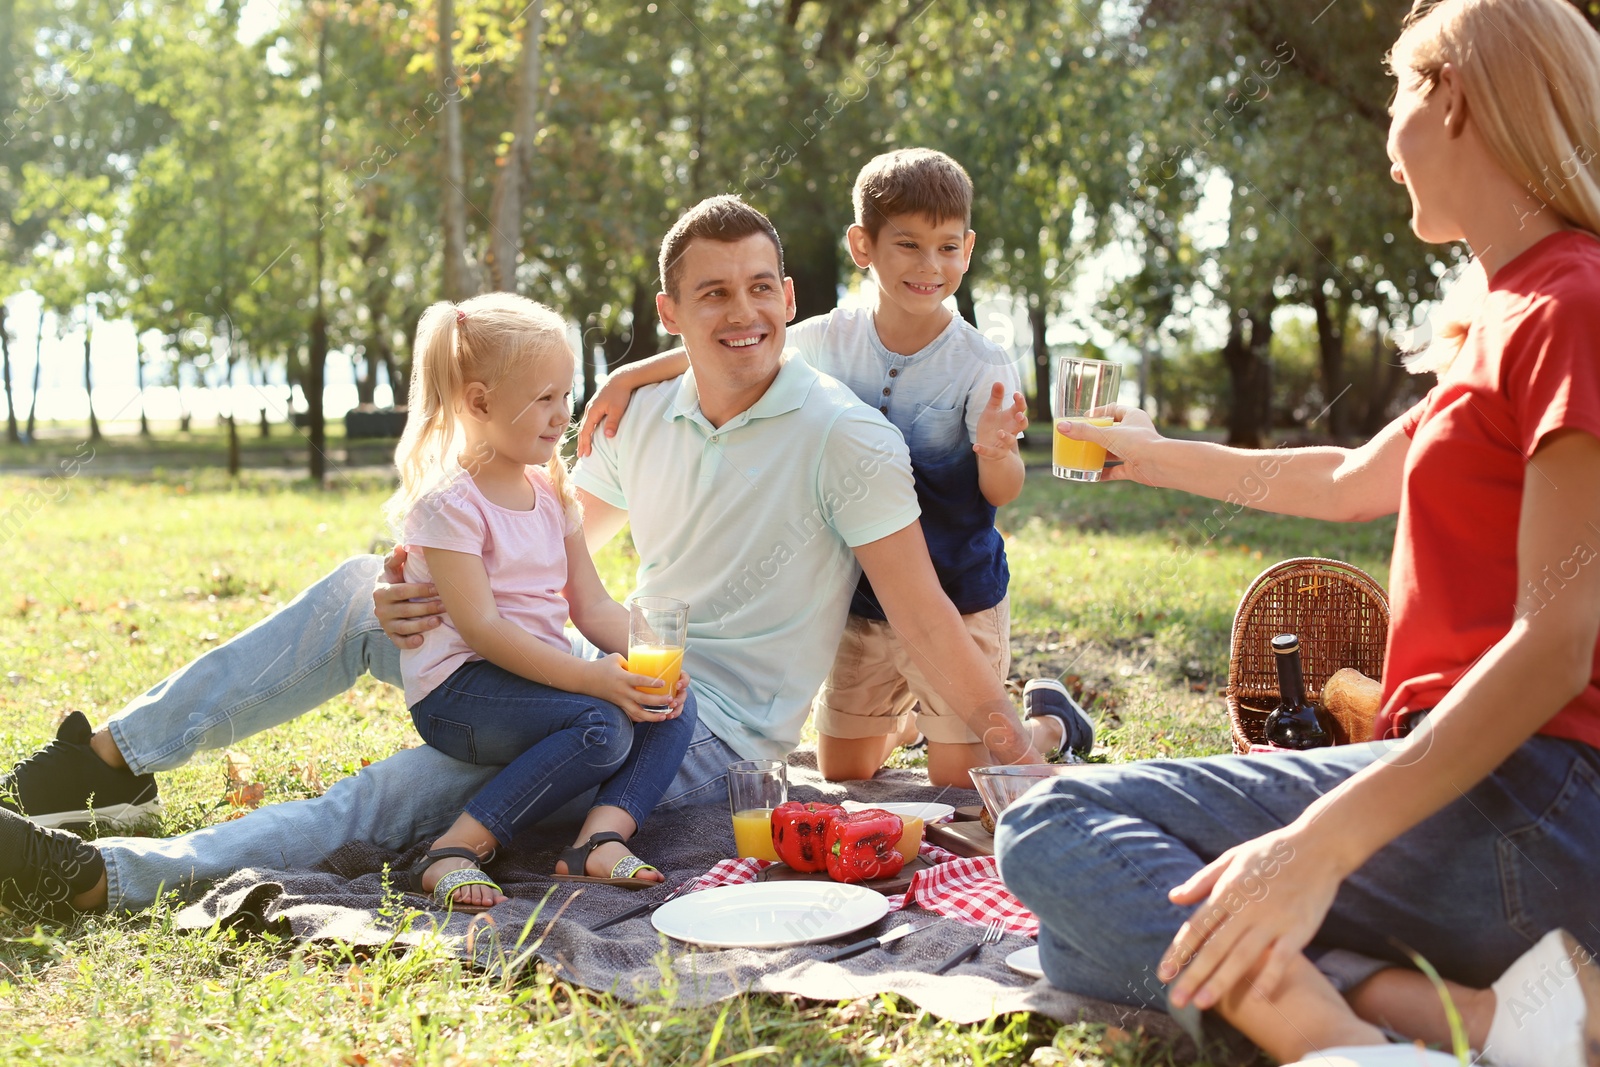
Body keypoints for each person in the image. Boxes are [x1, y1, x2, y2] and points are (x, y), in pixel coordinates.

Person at [0, 195, 1049, 922]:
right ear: (668, 314)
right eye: (715, 293)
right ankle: (106, 764)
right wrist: (427, 594)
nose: (747, 312)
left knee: (404, 785)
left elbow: (920, 615)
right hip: (607, 665)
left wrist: (1011, 748)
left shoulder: (842, 437)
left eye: (764, 288)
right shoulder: (643, 412)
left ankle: (110, 875)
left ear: (790, 296)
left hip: (703, 733)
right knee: (357, 588)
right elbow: (553, 549)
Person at [994, 1, 1600, 1063]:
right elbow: (1346, 478)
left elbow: (1556, 642)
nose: (1389, 140)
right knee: (1075, 941)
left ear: (1450, 96)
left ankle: (1350, 1047)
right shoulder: (1508, 316)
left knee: (1052, 828)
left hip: (1532, 806)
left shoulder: (1569, 304)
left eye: (1399, 94)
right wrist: (1139, 450)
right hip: (1492, 811)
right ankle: (1483, 1019)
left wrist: (1320, 844)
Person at [577, 148, 1093, 786]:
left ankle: (1049, 726)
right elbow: (739, 343)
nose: (929, 265)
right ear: (863, 246)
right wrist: (631, 373)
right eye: (908, 244)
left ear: (967, 248)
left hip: (955, 589)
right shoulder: (828, 337)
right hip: (862, 597)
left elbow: (1003, 492)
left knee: (964, 779)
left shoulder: (979, 361)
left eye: (947, 248)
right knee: (844, 769)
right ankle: (909, 720)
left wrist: (995, 450)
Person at [388, 294, 696, 910]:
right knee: (601, 724)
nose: (564, 415)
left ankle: (599, 841)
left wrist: (647, 657)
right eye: (545, 399)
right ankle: (453, 848)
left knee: (671, 706)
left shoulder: (551, 488)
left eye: (567, 395)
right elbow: (481, 628)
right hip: (460, 692)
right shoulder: (450, 502)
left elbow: (591, 606)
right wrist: (591, 678)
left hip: (532, 679)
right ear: (479, 402)